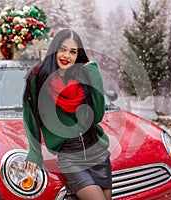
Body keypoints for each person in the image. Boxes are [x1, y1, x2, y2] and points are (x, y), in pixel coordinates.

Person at [23, 28, 112, 200]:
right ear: (55, 49)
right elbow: (31, 117)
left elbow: (98, 115)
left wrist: (93, 72)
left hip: (98, 153)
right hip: (70, 157)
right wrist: (34, 152)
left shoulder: (82, 76)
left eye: (73, 52)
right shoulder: (38, 78)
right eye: (62, 49)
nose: (66, 55)